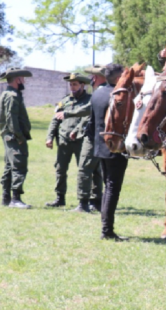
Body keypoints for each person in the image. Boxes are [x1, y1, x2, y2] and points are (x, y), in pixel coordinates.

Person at [87, 63, 129, 241]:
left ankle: (106, 228)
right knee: (112, 188)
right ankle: (107, 230)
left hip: (99, 147)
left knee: (107, 186)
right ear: (119, 77)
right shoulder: (117, 95)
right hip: (114, 147)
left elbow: (91, 123)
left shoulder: (97, 93)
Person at [45, 73, 92, 209]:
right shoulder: (64, 101)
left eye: (75, 84)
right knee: (60, 169)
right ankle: (60, 198)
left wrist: (77, 130)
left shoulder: (89, 100)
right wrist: (50, 137)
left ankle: (87, 200)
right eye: (71, 84)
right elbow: (55, 119)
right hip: (64, 141)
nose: (72, 87)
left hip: (81, 141)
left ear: (83, 85)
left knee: (85, 170)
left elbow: (87, 118)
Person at [0, 68, 32, 209]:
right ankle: (15, 199)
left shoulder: (7, 93)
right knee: (18, 166)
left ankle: (6, 197)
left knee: (9, 166)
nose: (24, 81)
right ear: (18, 79)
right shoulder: (12, 95)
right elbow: (12, 119)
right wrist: (19, 136)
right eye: (22, 78)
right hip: (14, 137)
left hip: (9, 136)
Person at [74, 65, 106, 212]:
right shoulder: (111, 90)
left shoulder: (99, 93)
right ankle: (97, 201)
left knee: (84, 169)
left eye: (93, 77)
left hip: (94, 136)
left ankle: (83, 203)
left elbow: (88, 109)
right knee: (98, 170)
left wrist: (68, 113)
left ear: (98, 78)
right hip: (105, 137)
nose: (91, 79)